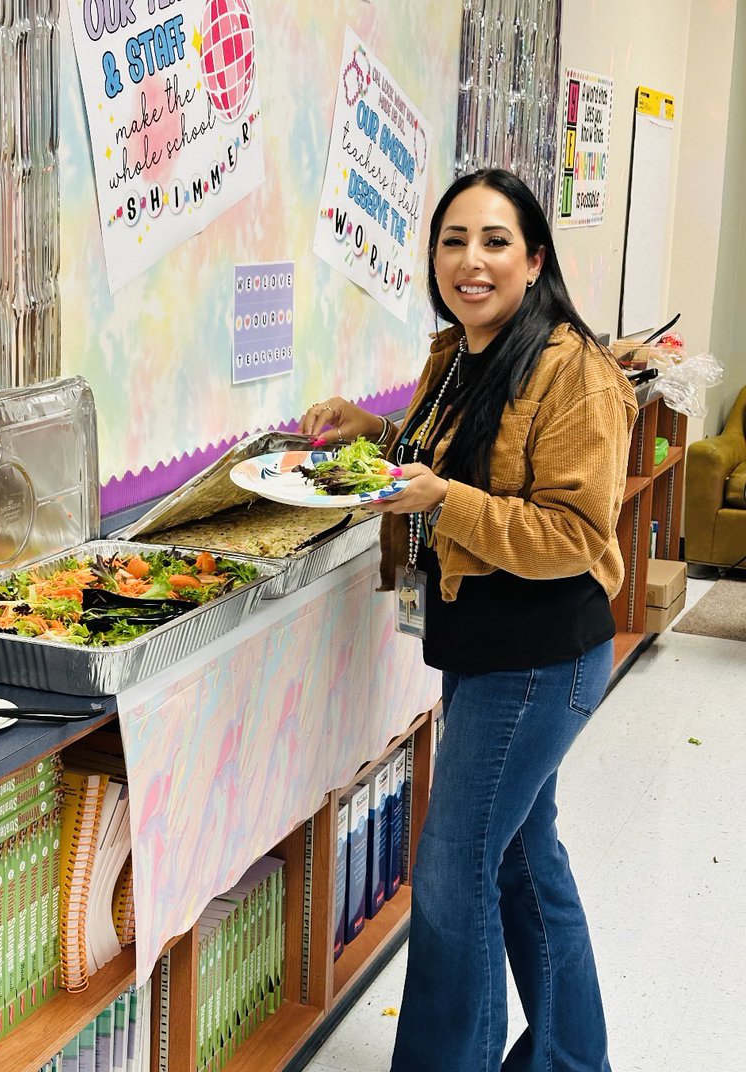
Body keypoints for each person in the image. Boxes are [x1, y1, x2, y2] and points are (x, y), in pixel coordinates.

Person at [300, 168, 637, 1072]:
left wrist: (441, 501)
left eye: (494, 242)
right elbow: (443, 464)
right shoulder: (458, 355)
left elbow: (573, 533)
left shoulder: (578, 372)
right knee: (525, 868)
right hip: (482, 647)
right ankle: (573, 1060)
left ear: (535, 258)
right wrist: (366, 434)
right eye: (453, 240)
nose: (470, 261)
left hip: (540, 657)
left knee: (453, 882)